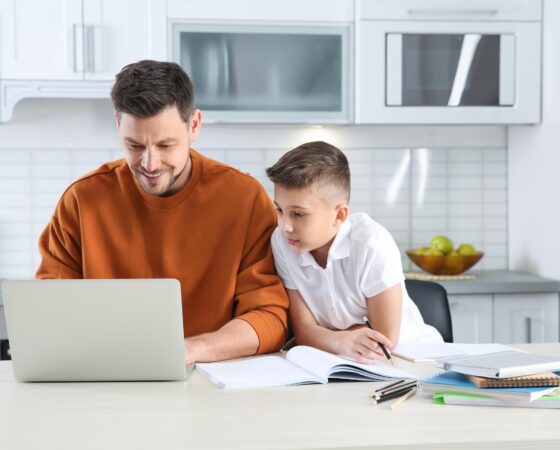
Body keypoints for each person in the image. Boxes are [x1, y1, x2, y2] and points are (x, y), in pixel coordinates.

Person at [36, 60, 289, 363]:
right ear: (118, 126)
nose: (150, 163)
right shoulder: (81, 201)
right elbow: (50, 313)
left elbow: (269, 317)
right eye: (134, 145)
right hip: (108, 380)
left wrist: (189, 350)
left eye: (166, 145)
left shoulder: (245, 199)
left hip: (211, 385)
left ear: (194, 125)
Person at [266, 141, 442, 364]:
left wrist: (329, 336)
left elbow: (382, 341)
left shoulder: (372, 243)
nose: (285, 226)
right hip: (341, 359)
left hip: (413, 359)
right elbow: (304, 332)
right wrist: (344, 340)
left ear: (339, 216)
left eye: (299, 214)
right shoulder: (282, 242)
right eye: (280, 210)